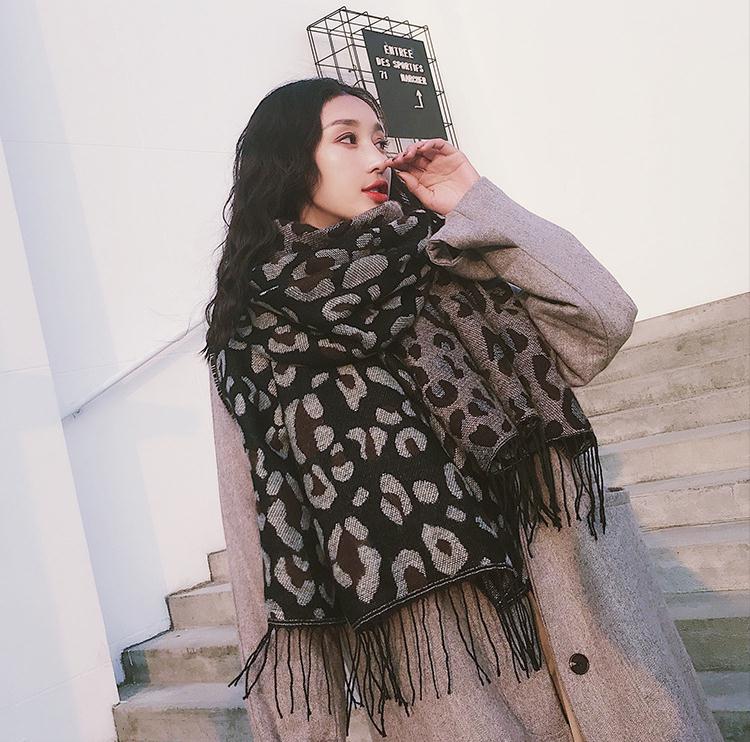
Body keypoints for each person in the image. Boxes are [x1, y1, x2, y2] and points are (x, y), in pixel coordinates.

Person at [202, 77, 723, 741]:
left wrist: (473, 199)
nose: (378, 158)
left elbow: (602, 318)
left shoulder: (446, 259)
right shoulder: (254, 344)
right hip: (456, 691)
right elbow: (263, 551)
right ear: (289, 162)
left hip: (588, 638)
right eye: (347, 139)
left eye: (380, 139)